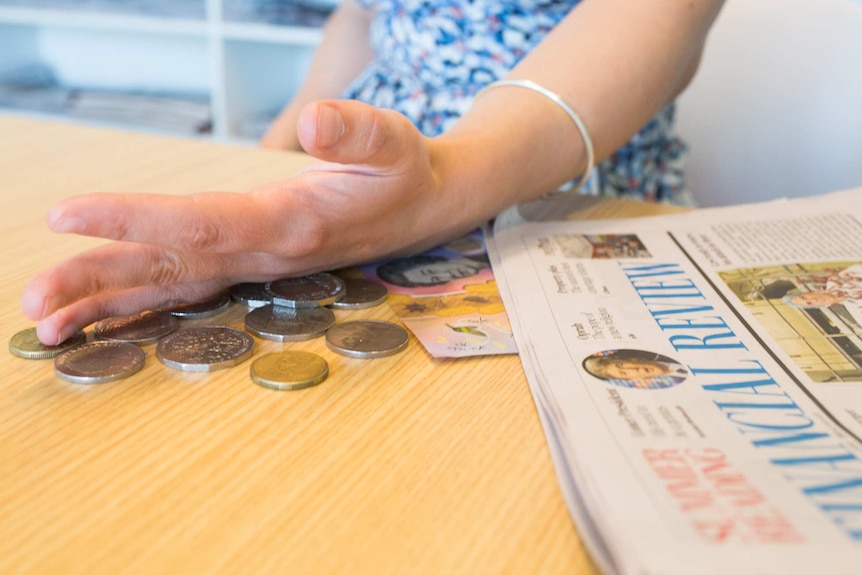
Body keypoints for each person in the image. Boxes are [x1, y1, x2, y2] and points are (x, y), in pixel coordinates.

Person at [22, 0, 727, 345]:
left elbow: (642, 29)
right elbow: (365, 17)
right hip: (361, 199)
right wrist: (266, 174)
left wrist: (438, 185)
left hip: (566, 210)